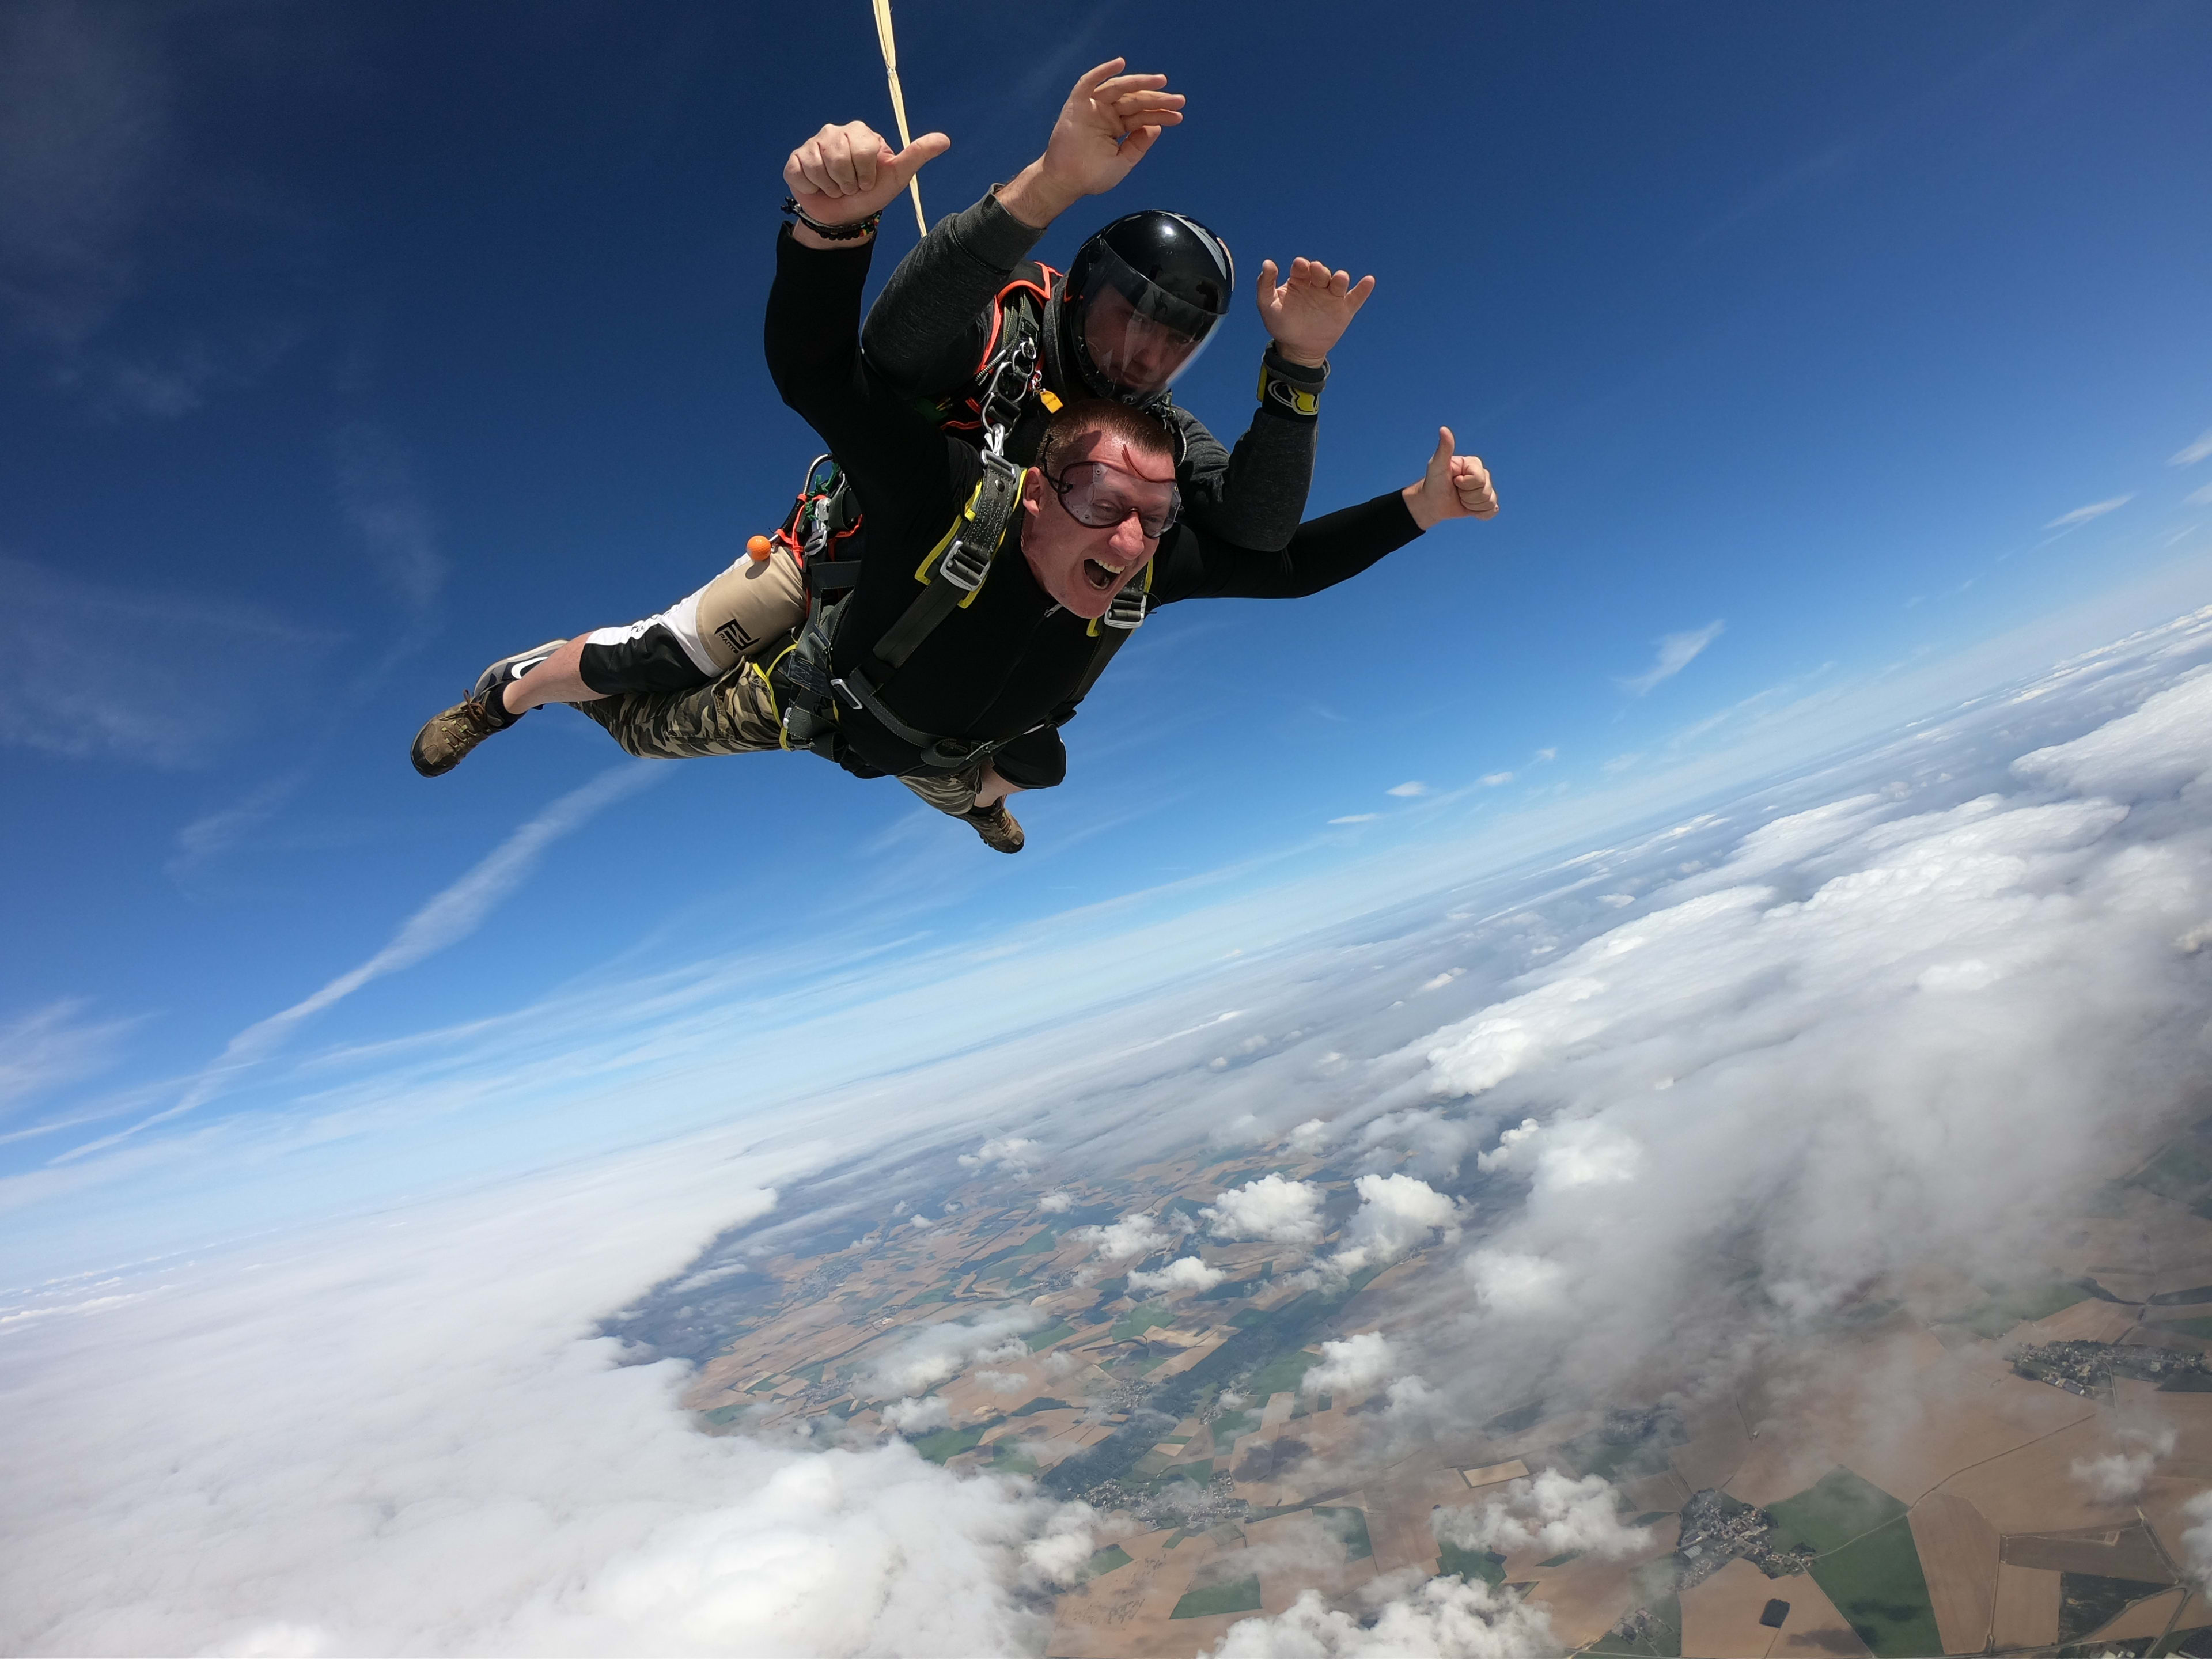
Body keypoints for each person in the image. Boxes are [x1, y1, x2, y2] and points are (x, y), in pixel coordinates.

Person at [416, 115, 1497, 857]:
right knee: (673, 657)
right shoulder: (1006, 334)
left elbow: (1264, 540)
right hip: (848, 550)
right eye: (1127, 315)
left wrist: (1297, 371)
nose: (1138, 353)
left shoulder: (1152, 443)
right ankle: (508, 689)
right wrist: (1026, 190)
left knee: (1003, 759)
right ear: (1084, 293)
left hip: (961, 659)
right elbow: (877, 358)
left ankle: (974, 801)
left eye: (1172, 342)